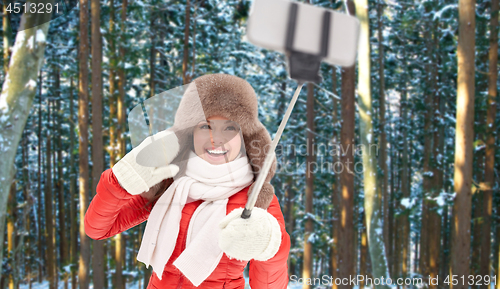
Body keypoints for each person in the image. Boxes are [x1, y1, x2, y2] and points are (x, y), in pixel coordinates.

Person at [84, 74, 291, 289]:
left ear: (246, 137)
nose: (216, 138)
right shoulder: (170, 184)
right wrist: (120, 182)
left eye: (229, 128)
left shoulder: (256, 199)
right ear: (189, 134)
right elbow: (97, 229)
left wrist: (270, 246)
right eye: (206, 127)